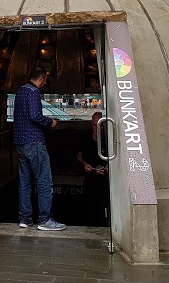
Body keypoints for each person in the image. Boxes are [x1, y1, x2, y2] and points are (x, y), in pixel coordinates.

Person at [14, 67, 66, 231]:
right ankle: (44, 220)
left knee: (25, 183)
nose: (45, 83)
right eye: (45, 80)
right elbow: (35, 115)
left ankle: (25, 219)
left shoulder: (21, 91)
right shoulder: (34, 92)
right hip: (34, 142)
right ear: (42, 79)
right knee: (44, 182)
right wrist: (50, 122)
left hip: (20, 142)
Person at [76, 111, 110, 227]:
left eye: (99, 125)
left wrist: (109, 167)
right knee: (90, 208)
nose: (96, 128)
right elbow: (78, 154)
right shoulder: (85, 138)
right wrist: (84, 164)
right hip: (90, 180)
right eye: (94, 125)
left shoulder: (108, 139)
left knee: (103, 209)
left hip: (105, 182)